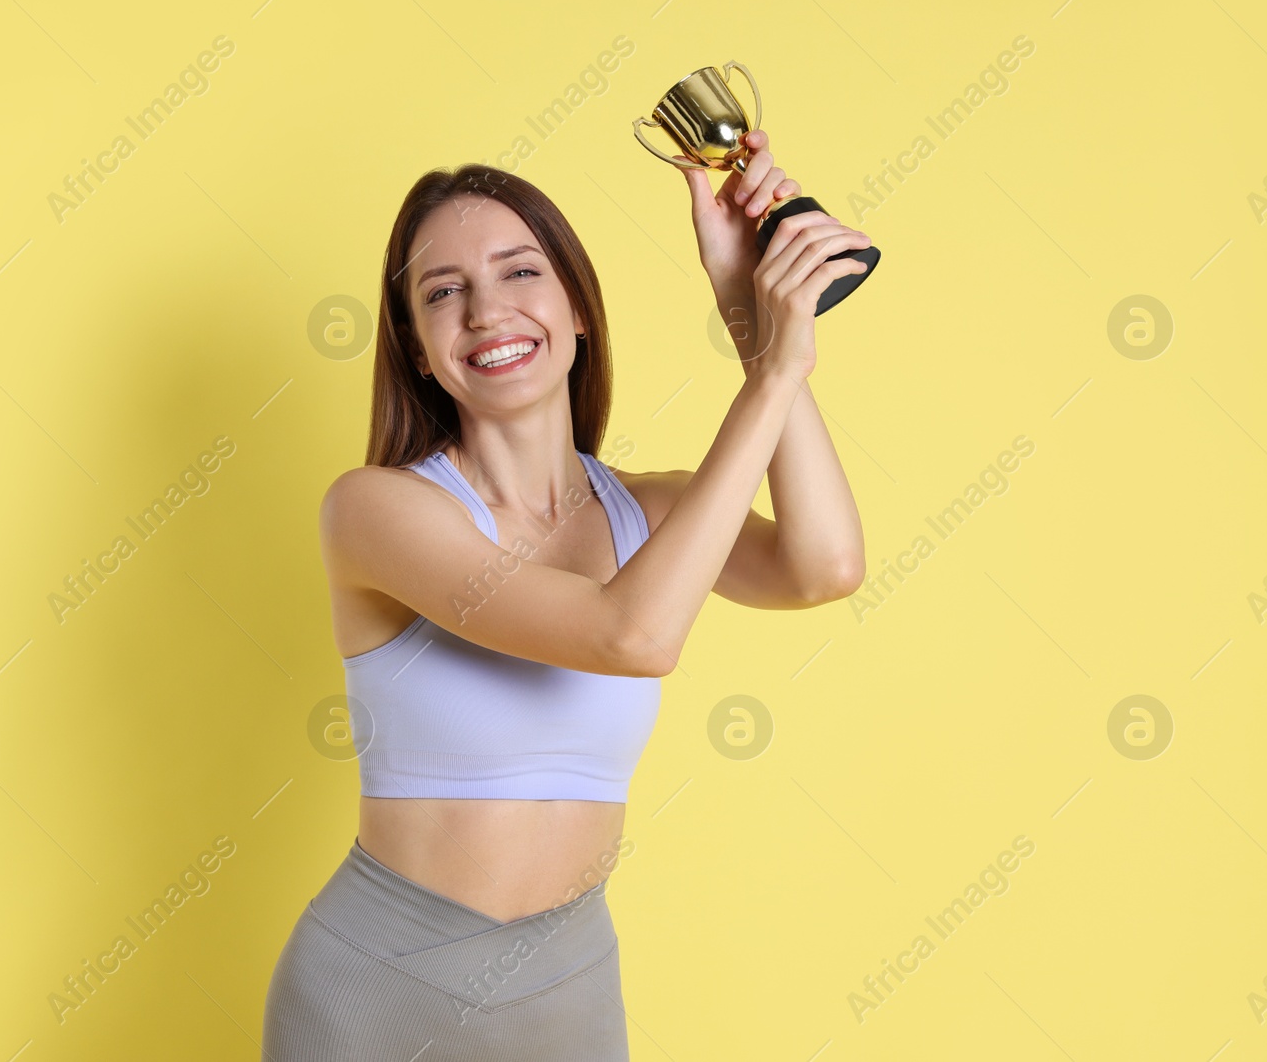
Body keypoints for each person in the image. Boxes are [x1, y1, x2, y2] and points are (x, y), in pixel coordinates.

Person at [263, 129, 869, 1060]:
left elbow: (821, 566)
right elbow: (630, 635)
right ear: (420, 350)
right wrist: (782, 365)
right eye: (443, 292)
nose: (486, 311)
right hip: (376, 990)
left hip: (568, 987)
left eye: (519, 273)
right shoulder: (377, 511)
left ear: (579, 310)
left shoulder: (653, 511)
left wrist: (752, 322)